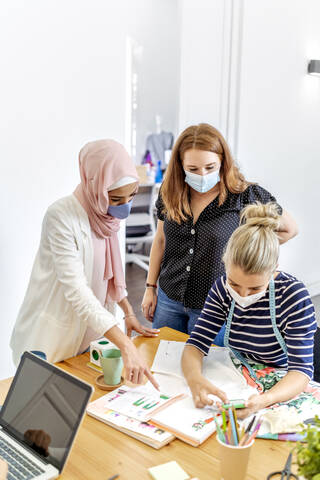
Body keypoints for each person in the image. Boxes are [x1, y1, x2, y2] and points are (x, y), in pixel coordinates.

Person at [10, 140, 159, 387]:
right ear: (96, 187)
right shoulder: (61, 216)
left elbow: (110, 273)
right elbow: (78, 291)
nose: (124, 207)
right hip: (53, 340)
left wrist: (128, 312)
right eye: (116, 198)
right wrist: (124, 343)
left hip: (90, 336)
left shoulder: (105, 217)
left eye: (131, 196)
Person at [141, 123, 298, 341]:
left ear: (223, 161)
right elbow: (160, 241)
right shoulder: (170, 192)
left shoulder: (245, 195)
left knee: (207, 368)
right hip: (169, 297)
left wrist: (248, 249)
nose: (202, 175)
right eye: (193, 169)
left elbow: (289, 229)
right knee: (162, 361)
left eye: (210, 167)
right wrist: (150, 287)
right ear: (180, 165)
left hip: (214, 304)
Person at [181, 202, 318, 418]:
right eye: (235, 283)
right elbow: (195, 345)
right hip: (239, 379)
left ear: (275, 268)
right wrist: (195, 379)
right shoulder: (221, 288)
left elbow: (300, 372)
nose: (243, 295)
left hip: (283, 384)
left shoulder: (293, 296)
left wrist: (264, 401)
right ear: (225, 266)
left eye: (255, 288)